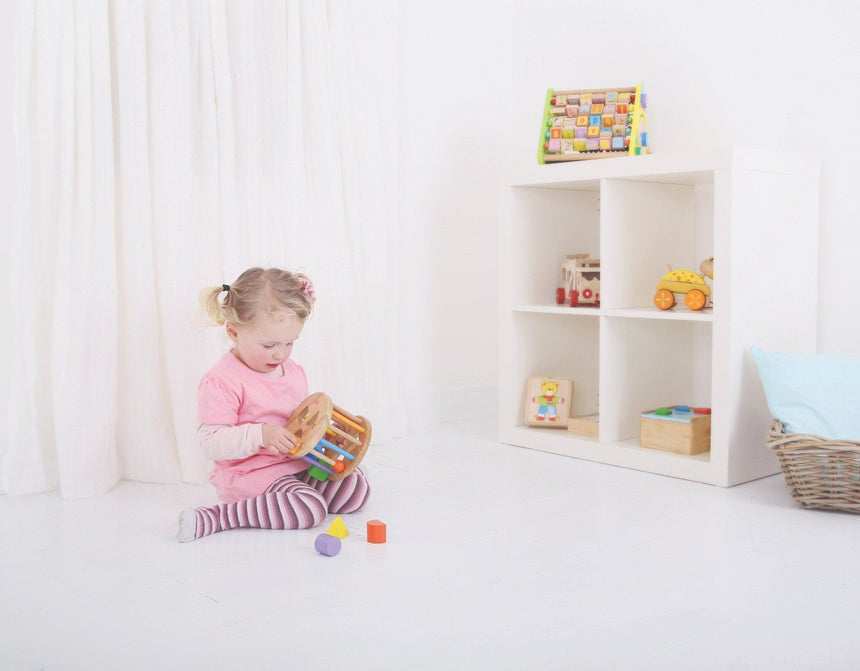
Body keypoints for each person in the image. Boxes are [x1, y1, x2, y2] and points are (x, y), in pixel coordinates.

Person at [177, 267, 370, 542]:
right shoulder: (221, 381)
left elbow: (301, 423)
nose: (280, 354)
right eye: (269, 345)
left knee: (355, 489)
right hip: (252, 474)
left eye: (290, 343)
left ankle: (295, 495)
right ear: (233, 332)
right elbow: (211, 441)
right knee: (308, 510)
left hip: (295, 465)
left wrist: (322, 437)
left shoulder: (293, 370)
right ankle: (218, 517)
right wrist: (261, 435)